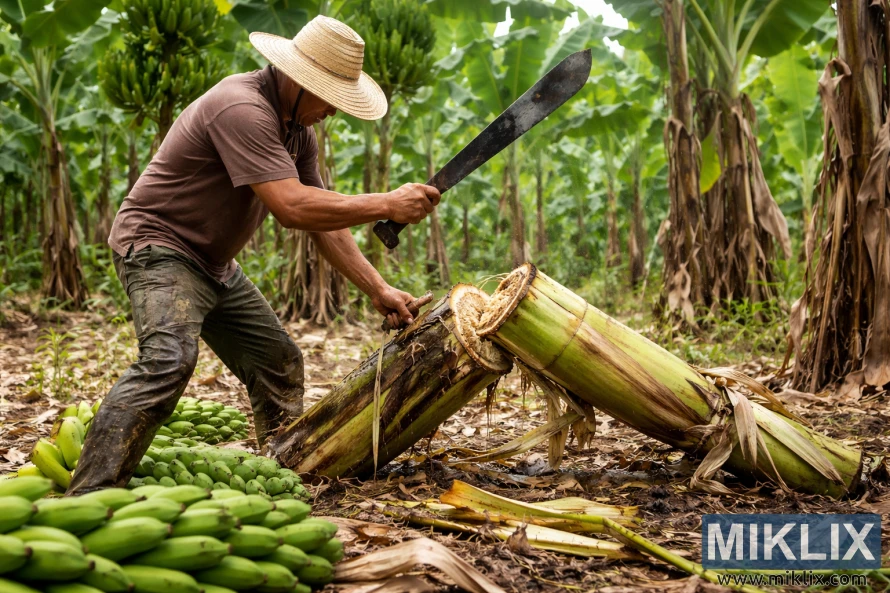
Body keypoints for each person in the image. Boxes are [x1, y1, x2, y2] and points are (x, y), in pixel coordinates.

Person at [67, 15, 441, 494]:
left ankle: (282, 475)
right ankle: (90, 492)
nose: (333, 111)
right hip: (159, 246)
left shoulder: (297, 132)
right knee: (168, 359)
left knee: (277, 361)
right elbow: (291, 206)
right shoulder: (241, 107)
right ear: (299, 80)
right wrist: (386, 203)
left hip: (213, 264)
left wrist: (379, 288)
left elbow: (321, 222)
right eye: (329, 96)